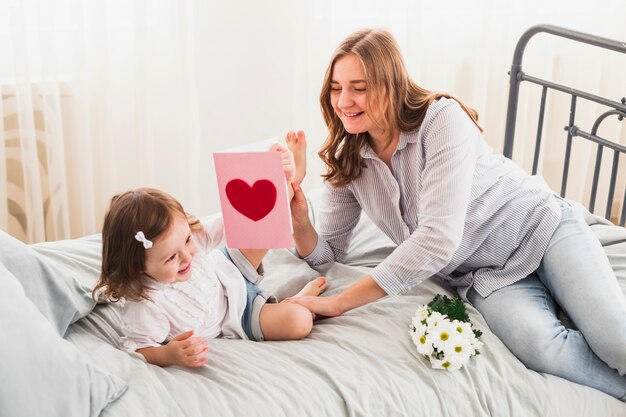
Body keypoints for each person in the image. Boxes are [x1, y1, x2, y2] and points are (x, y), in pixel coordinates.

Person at [285, 28, 626, 400]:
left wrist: (339, 303)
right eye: (336, 88)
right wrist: (299, 216)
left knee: (615, 338)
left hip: (540, 229)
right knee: (540, 347)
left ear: (390, 84)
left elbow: (436, 241)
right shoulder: (348, 157)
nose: (344, 100)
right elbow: (327, 255)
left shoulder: (441, 119)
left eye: (359, 87)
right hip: (485, 276)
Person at [92, 141, 326, 368]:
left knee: (262, 225)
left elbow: (233, 222)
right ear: (136, 267)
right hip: (238, 315)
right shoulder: (146, 306)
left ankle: (288, 179)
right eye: (171, 258)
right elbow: (140, 349)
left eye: (187, 241)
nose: (187, 257)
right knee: (299, 321)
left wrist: (265, 175)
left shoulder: (191, 238)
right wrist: (168, 354)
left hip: (228, 270)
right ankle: (298, 300)